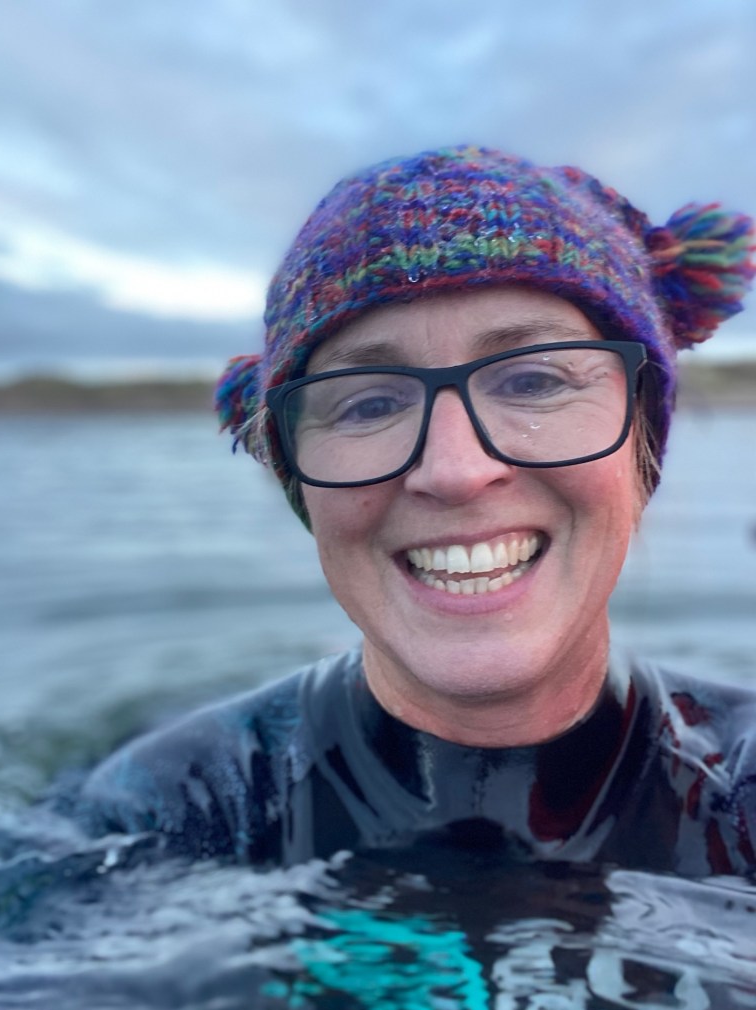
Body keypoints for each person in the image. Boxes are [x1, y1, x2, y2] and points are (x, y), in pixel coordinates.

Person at [76, 145, 756, 875]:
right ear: (298, 481)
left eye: (533, 381)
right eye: (370, 403)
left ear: (640, 444)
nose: (455, 471)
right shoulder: (164, 814)